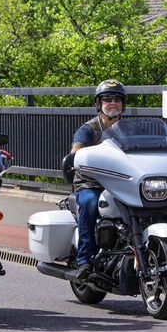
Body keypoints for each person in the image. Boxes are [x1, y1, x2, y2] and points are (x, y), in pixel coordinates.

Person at [68, 79, 128, 282]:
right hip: (90, 184)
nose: (113, 103)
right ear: (99, 103)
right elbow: (76, 149)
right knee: (89, 203)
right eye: (107, 99)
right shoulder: (89, 129)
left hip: (122, 183)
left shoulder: (129, 129)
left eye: (117, 99)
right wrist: (77, 155)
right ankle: (84, 260)